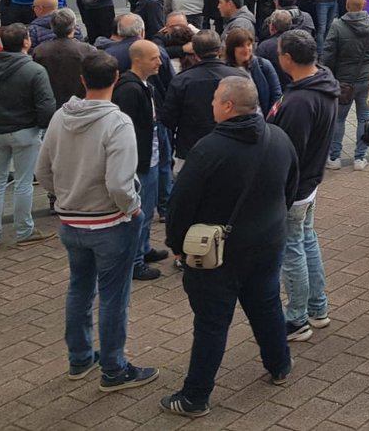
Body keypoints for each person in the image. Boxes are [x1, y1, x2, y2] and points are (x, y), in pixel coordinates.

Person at [162, 76, 299, 417]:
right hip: (268, 242)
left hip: (216, 255)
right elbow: (291, 187)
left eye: (214, 99)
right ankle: (279, 365)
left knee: (212, 323)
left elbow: (180, 205)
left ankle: (195, 397)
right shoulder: (279, 138)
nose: (210, 104)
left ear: (226, 106)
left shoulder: (208, 149)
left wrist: (177, 246)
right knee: (266, 305)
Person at [36, 51, 159, 391]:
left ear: (82, 80)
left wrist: (63, 197)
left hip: (71, 223)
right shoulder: (118, 123)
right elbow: (120, 183)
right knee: (113, 297)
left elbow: (42, 170)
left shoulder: (61, 117)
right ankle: (114, 369)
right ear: (116, 80)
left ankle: (79, 358)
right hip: (110, 224)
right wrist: (133, 208)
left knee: (79, 288)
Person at [269, 30, 339, 343]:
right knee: (306, 240)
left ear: (287, 58)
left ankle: (297, 318)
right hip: (309, 183)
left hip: (295, 189)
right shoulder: (321, 82)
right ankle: (317, 308)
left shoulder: (299, 101)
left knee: (292, 248)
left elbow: (289, 154)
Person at [0, 23, 57, 249]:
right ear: (26, 42)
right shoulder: (34, 70)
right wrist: (37, 126)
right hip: (25, 131)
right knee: (24, 183)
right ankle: (23, 230)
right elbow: (47, 107)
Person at [111, 40, 170, 282]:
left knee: (147, 208)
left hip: (150, 157)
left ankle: (144, 249)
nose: (160, 62)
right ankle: (135, 262)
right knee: (140, 213)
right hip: (141, 161)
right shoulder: (130, 90)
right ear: (137, 60)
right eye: (154, 58)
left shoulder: (144, 85)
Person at [161, 30, 244, 168]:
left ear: (195, 52)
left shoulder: (182, 80)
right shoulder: (240, 77)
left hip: (192, 147)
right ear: (220, 49)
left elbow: (168, 119)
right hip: (232, 143)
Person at [323, 0, 369, 170]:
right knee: (364, 118)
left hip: (344, 81)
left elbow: (328, 55)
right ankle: (360, 157)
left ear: (347, 6)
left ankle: (334, 158)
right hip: (368, 79)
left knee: (339, 119)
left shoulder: (337, 26)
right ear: (364, 4)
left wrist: (328, 77)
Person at [224, 26, 281, 115]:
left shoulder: (263, 65)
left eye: (249, 44)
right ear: (232, 48)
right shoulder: (224, 70)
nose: (246, 49)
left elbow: (276, 96)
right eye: (241, 46)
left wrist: (270, 120)